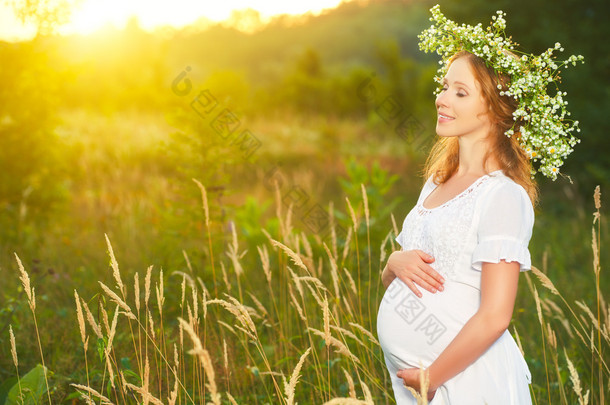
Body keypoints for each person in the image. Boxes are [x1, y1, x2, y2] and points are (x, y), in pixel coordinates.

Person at [376, 5, 583, 404]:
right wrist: (391, 265)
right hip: (421, 386)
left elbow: (495, 315)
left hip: (468, 382)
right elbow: (411, 279)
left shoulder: (503, 196)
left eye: (460, 92)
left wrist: (432, 376)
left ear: (494, 107)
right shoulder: (436, 183)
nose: (441, 98)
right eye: (444, 86)